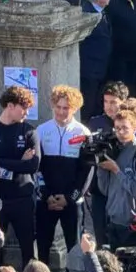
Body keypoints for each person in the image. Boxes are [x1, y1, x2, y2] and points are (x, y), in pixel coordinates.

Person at [0, 86, 41, 268]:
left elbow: (33, 165)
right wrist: (18, 164)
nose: (26, 113)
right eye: (24, 108)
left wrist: (0, 162)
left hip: (23, 198)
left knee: (28, 246)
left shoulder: (29, 131)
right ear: (10, 106)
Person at [36, 85, 93, 262]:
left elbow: (87, 172)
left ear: (74, 109)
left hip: (73, 201)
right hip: (47, 200)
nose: (61, 112)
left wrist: (69, 198)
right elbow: (37, 168)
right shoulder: (41, 131)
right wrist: (46, 195)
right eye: (58, 107)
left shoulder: (83, 133)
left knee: (74, 247)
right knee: (43, 245)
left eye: (66, 108)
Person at [96, 107, 136, 247]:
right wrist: (101, 167)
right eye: (117, 128)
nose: (120, 132)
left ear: (134, 129)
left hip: (133, 223)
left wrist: (116, 170)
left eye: (125, 128)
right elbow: (104, 190)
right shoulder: (114, 151)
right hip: (113, 220)